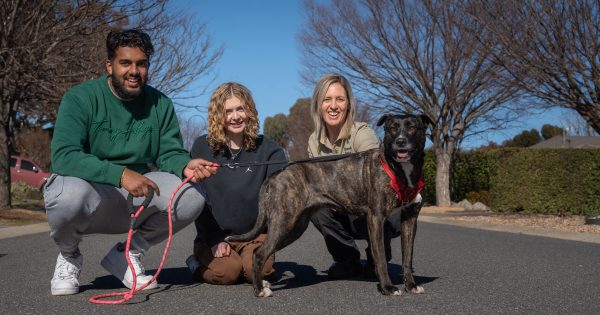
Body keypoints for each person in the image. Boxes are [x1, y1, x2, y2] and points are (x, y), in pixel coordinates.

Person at [44, 29, 216, 296]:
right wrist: (121, 174)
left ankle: (127, 254)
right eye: (125, 63)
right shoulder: (79, 98)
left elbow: (168, 152)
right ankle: (69, 256)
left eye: (141, 63)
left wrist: (185, 165)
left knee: (192, 194)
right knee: (66, 194)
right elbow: (65, 156)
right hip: (92, 192)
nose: (134, 71)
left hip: (137, 196)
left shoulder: (160, 104)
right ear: (109, 65)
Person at [185, 82, 287, 285]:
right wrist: (213, 238)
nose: (235, 116)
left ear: (249, 110)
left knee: (259, 271)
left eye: (240, 108)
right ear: (217, 115)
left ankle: (247, 261)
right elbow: (197, 196)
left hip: (256, 235)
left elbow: (280, 196)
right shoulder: (202, 147)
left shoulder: (269, 150)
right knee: (228, 273)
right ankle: (195, 263)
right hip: (216, 236)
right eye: (228, 111)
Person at [308, 73, 400, 279]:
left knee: (376, 206)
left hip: (373, 207)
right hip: (338, 207)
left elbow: (377, 181)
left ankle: (378, 257)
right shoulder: (314, 140)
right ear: (318, 104)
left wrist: (335, 192)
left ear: (348, 104)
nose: (333, 106)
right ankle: (347, 260)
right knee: (314, 205)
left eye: (340, 99)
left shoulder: (362, 133)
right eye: (327, 99)